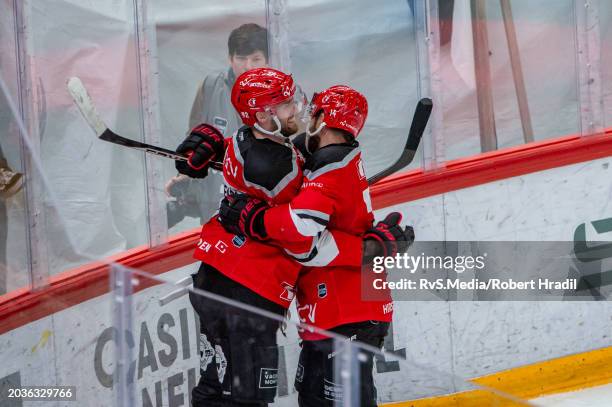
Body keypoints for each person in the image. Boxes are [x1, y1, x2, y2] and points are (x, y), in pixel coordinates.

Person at [175, 68, 409, 406]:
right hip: (248, 289)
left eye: (298, 104)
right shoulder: (299, 160)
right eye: (286, 103)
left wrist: (256, 219)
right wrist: (212, 144)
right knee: (239, 396)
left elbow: (302, 239)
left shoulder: (309, 161)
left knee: (232, 391)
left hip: (329, 303)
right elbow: (299, 232)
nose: (298, 110)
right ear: (261, 115)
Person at [165, 23, 270, 228]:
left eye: (256, 59)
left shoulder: (283, 95)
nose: (248, 66)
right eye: (241, 59)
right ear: (230, 59)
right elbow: (196, 138)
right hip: (218, 197)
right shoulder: (212, 86)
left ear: (267, 60)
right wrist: (185, 175)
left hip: (262, 199)